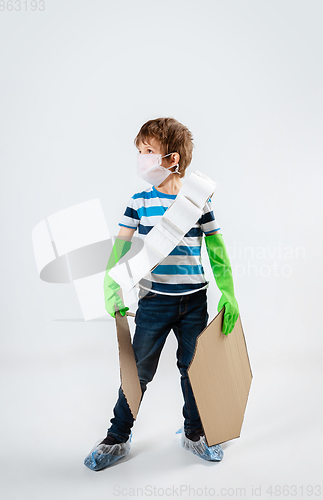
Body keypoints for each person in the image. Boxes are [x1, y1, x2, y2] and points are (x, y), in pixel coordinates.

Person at [84, 117, 239, 472]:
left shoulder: (199, 201)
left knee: (194, 370)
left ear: (172, 160)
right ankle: (117, 437)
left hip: (194, 302)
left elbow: (217, 249)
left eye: (148, 152)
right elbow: (121, 247)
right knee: (136, 373)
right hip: (153, 302)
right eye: (139, 152)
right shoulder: (138, 201)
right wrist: (112, 286)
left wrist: (228, 293)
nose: (141, 159)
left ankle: (194, 432)